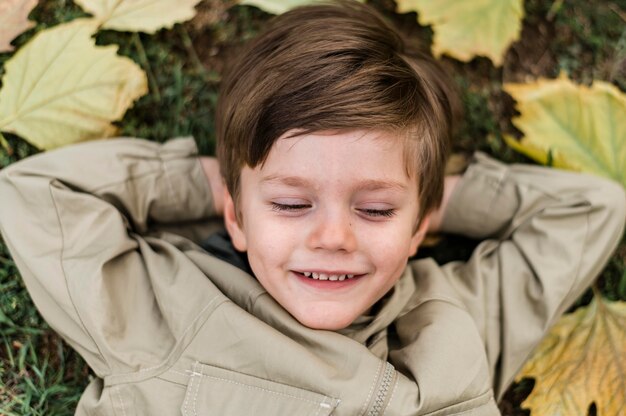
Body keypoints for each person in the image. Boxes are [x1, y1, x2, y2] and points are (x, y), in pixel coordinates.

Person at [0, 1, 624, 415]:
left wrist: (429, 195)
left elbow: (592, 209)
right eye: (292, 202)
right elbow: (33, 196)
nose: (333, 236)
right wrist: (218, 185)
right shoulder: (160, 307)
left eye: (375, 210)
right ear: (237, 216)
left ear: (418, 228)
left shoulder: (455, 321)